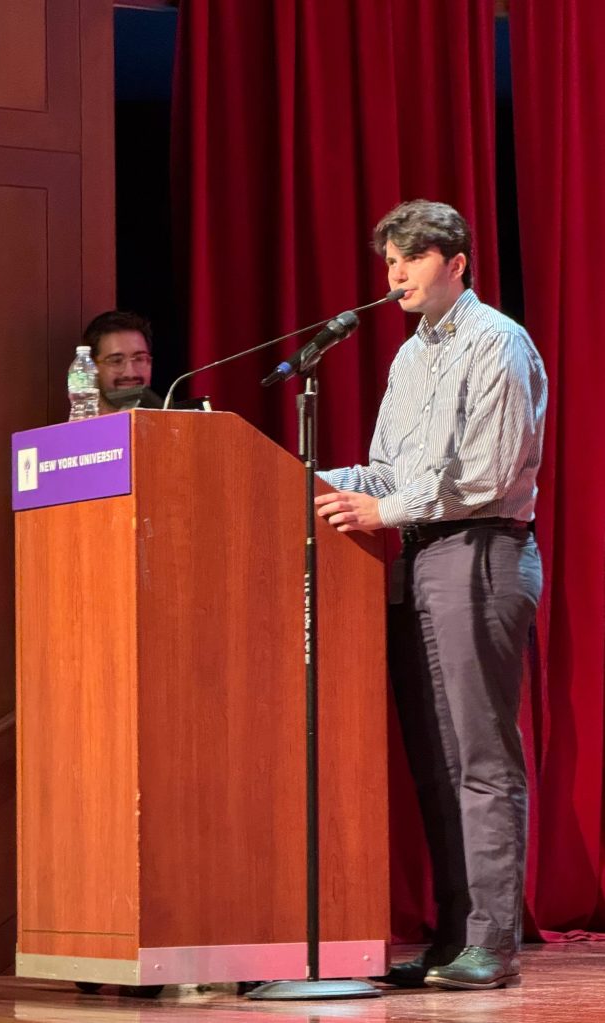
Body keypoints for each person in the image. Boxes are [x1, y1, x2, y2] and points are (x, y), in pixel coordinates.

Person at [315, 199, 547, 991]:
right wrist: (301, 480)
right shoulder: (410, 358)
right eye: (388, 263)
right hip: (416, 559)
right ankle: (455, 938)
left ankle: (493, 941)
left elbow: (485, 471)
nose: (395, 277)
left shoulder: (497, 343)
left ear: (456, 263)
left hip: (482, 552)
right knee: (433, 758)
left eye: (410, 260)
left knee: (479, 758)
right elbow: (389, 471)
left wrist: (387, 510)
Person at [83, 310, 153, 414]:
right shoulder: (79, 430)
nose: (130, 373)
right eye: (116, 361)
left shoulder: (171, 427)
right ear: (91, 367)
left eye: (139, 359)